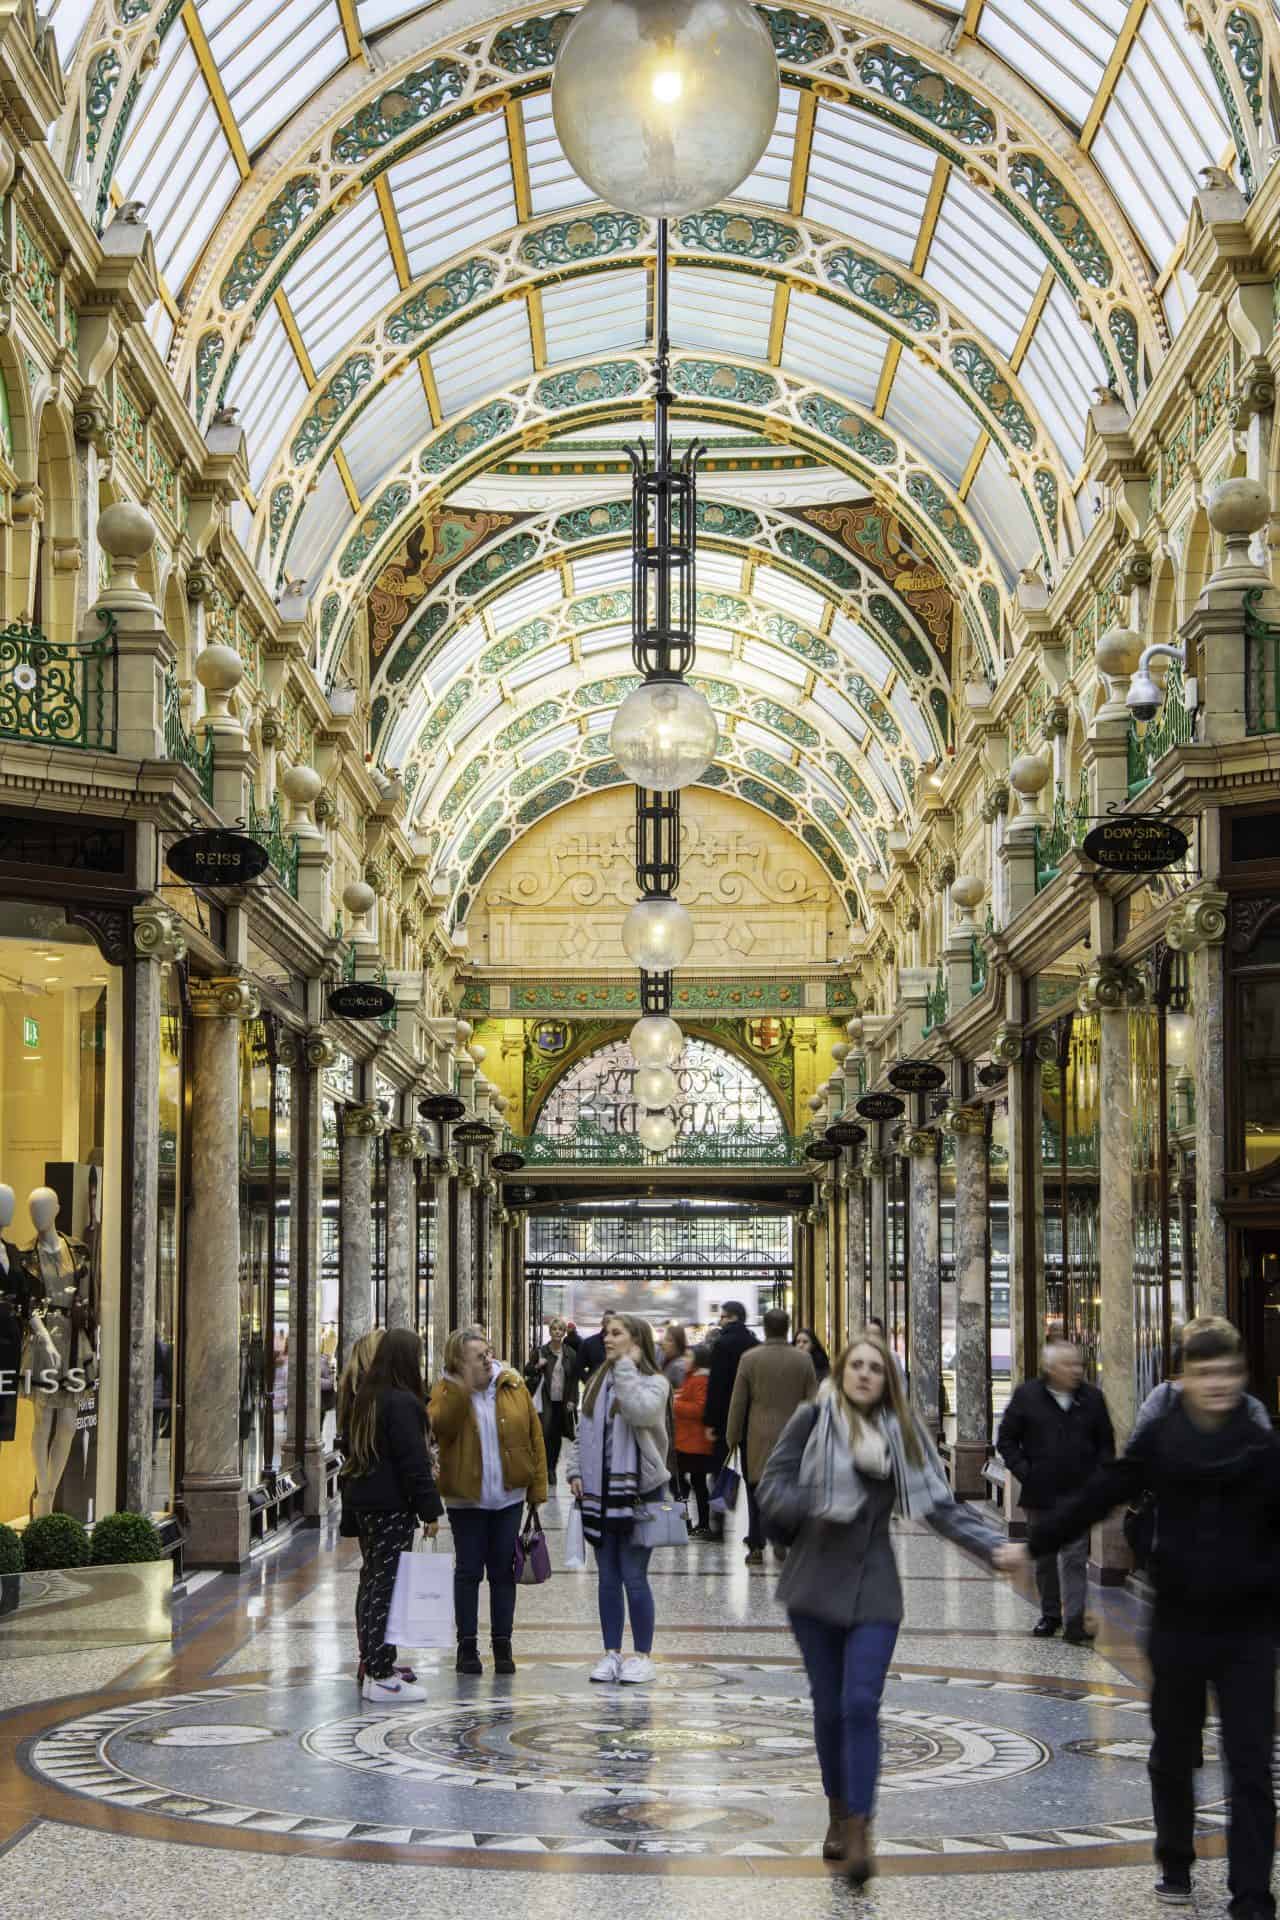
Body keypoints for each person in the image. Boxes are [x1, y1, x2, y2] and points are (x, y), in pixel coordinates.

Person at [998, 1319, 1280, 1918]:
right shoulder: (1164, 1438)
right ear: (1185, 1379)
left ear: (1241, 1377)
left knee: (1252, 1762)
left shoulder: (1261, 1445)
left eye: (1228, 1373)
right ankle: (1176, 1858)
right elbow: (1105, 1490)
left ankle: (1252, 1894)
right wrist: (1036, 1539)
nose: (1218, 1385)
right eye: (1205, 1374)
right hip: (1179, 1621)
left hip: (1249, 1626)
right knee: (1174, 1751)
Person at [760, 1327, 1005, 1884]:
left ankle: (860, 1828)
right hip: (813, 1582)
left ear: (887, 1380)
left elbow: (941, 1507)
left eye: (876, 1368)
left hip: (874, 1585)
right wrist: (815, 1503)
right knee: (828, 1706)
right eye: (857, 1366)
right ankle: (838, 1809)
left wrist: (995, 1548)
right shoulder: (812, 1421)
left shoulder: (903, 1435)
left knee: (860, 1702)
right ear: (842, 1374)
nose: (866, 1374)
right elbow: (772, 1487)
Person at [430, 1324, 547, 1677]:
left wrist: (537, 1489)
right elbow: (440, 1428)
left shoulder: (512, 1385)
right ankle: (466, 1647)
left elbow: (534, 1436)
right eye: (478, 1356)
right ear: (459, 1361)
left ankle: (503, 1645)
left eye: (488, 1352)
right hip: (466, 1500)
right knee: (468, 1572)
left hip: (508, 1497)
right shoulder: (446, 1391)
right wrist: (462, 1390)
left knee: (502, 1573)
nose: (487, 1360)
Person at [339, 1327, 444, 1705]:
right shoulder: (402, 1402)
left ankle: (373, 1665)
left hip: (366, 1505)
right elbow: (413, 1463)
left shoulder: (367, 1396)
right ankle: (382, 1675)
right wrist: (430, 1509)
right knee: (386, 1588)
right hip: (391, 1507)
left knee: (372, 1584)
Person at [566, 1313, 672, 1684]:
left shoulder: (656, 1382)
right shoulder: (597, 1381)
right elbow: (583, 1432)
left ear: (636, 1340)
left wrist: (626, 1367)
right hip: (600, 1490)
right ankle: (611, 1652)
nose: (606, 1339)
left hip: (640, 1492)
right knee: (607, 1577)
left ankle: (642, 1654)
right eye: (606, 1333)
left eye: (615, 1334)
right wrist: (575, 1471)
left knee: (633, 1575)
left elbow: (640, 1412)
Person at [996, 1332, 1115, 1643]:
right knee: (1045, 1558)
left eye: (1078, 1364)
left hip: (1079, 1495)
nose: (1076, 1370)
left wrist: (1098, 1479)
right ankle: (1050, 1614)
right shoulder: (1028, 1396)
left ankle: (1074, 1620)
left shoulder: (1092, 1399)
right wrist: (1027, 1472)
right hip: (1041, 1494)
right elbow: (1006, 1439)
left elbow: (1106, 1444)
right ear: (1051, 1369)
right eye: (1068, 1365)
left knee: (1075, 1557)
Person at [727, 1307, 817, 1565]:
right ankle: (781, 1540)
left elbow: (738, 1403)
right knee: (788, 1488)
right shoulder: (803, 1360)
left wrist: (732, 1437)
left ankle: (756, 1544)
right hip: (793, 1437)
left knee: (756, 1491)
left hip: (757, 1436)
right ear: (787, 1327)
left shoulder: (749, 1359)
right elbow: (813, 1401)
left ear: (764, 1328)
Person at [703, 1299, 758, 1539]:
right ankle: (756, 1529)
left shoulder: (721, 1344)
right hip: (750, 1417)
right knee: (752, 1474)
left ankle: (719, 1524)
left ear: (732, 1317)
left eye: (723, 1317)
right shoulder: (755, 1344)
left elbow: (715, 1386)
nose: (720, 1321)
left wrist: (710, 1421)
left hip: (725, 1417)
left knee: (719, 1471)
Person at [524, 1314, 580, 1485]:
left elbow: (573, 1379)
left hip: (562, 1402)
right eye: (554, 1329)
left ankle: (551, 1469)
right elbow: (527, 1371)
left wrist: (573, 1400)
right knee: (544, 1434)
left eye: (560, 1329)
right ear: (550, 1331)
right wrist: (537, 1366)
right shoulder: (541, 1351)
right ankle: (543, 1468)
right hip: (544, 1400)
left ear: (564, 1333)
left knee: (556, 1437)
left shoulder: (570, 1353)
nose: (557, 1332)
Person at [675, 1342, 716, 1535]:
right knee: (692, 1483)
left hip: (694, 1442)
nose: (685, 1360)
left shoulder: (700, 1381)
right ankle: (697, 1522)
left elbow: (700, 1409)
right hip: (688, 1440)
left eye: (689, 1356)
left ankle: (697, 1523)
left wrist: (675, 1404)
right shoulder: (691, 1378)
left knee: (689, 1483)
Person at [660, 1322, 691, 1388]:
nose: (664, 1342)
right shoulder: (666, 1359)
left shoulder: (680, 1366)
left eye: (669, 1340)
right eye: (665, 1339)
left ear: (679, 1344)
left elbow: (682, 1392)